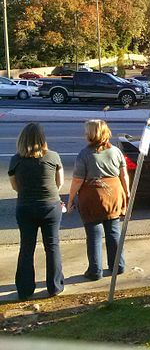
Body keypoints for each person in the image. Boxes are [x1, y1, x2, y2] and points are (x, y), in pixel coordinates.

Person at [67, 120, 130, 281]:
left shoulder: (84, 154)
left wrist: (71, 199)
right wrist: (127, 193)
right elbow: (124, 175)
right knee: (113, 232)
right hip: (114, 194)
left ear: (91, 134)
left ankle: (95, 271)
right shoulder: (116, 151)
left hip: (92, 197)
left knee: (94, 235)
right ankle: (118, 266)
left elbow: (77, 181)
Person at [8, 123, 64, 300]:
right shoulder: (53, 157)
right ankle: (54, 286)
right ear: (42, 139)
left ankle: (24, 290)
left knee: (26, 247)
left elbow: (15, 186)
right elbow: (59, 183)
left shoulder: (15, 160)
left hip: (25, 207)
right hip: (50, 206)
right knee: (52, 246)